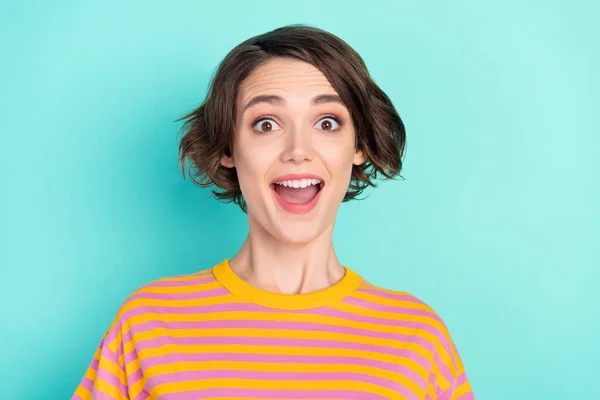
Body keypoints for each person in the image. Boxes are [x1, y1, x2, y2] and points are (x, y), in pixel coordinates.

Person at [72, 24, 474, 400]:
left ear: (359, 145)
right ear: (228, 147)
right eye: (266, 124)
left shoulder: (416, 339)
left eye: (327, 122)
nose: (298, 150)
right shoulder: (149, 325)